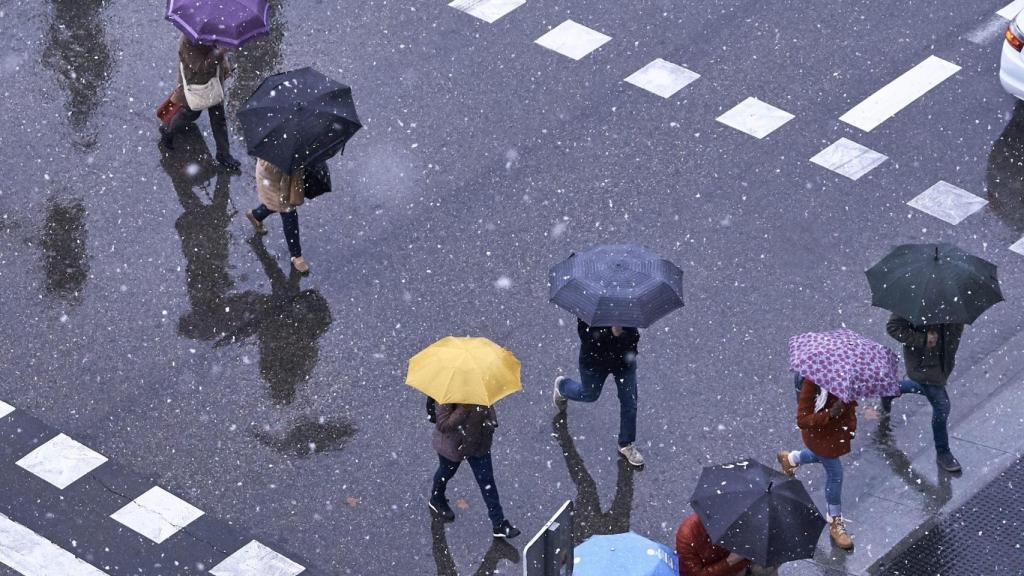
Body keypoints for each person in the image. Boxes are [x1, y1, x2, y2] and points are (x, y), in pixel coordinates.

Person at [777, 377, 856, 550]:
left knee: (820, 457)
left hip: (836, 433)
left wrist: (849, 421)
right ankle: (835, 522)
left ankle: (791, 459)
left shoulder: (844, 376)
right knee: (835, 473)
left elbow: (848, 403)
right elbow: (803, 420)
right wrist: (829, 414)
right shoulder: (812, 382)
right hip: (819, 436)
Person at [553, 319, 644, 467]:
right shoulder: (590, 314)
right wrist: (611, 333)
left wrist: (621, 336)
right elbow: (588, 339)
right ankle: (562, 386)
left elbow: (633, 341)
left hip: (623, 362)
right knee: (589, 394)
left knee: (630, 401)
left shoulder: (625, 311)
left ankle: (626, 444)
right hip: (595, 363)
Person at [882, 315, 965, 473]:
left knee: (925, 389)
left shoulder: (952, 299)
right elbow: (893, 327)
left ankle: (891, 389)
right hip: (923, 365)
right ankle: (943, 452)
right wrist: (923, 339)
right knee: (942, 406)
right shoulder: (915, 297)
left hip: (942, 362)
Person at [428, 403, 520, 539]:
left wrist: (491, 420)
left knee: (487, 481)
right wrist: (463, 409)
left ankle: (498, 523)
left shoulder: (478, 388)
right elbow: (443, 424)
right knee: (446, 472)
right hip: (453, 444)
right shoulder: (448, 393)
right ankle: (436, 498)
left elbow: (488, 407)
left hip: (478, 442)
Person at [160, 35, 241, 170]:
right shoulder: (187, 41)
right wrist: (219, 52)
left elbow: (219, 59)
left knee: (219, 120)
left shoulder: (216, 30)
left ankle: (223, 154)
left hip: (214, 83)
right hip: (197, 84)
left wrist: (225, 66)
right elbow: (202, 67)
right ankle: (168, 132)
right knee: (190, 114)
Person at [244, 158, 309, 274]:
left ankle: (255, 215)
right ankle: (296, 255)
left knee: (276, 205)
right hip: (274, 180)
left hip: (284, 178)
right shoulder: (274, 153)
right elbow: (269, 167)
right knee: (288, 213)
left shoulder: (287, 146)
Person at [676, 512, 750, 576]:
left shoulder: (737, 521)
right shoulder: (688, 537)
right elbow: (695, 574)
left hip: (736, 566)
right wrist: (729, 562)